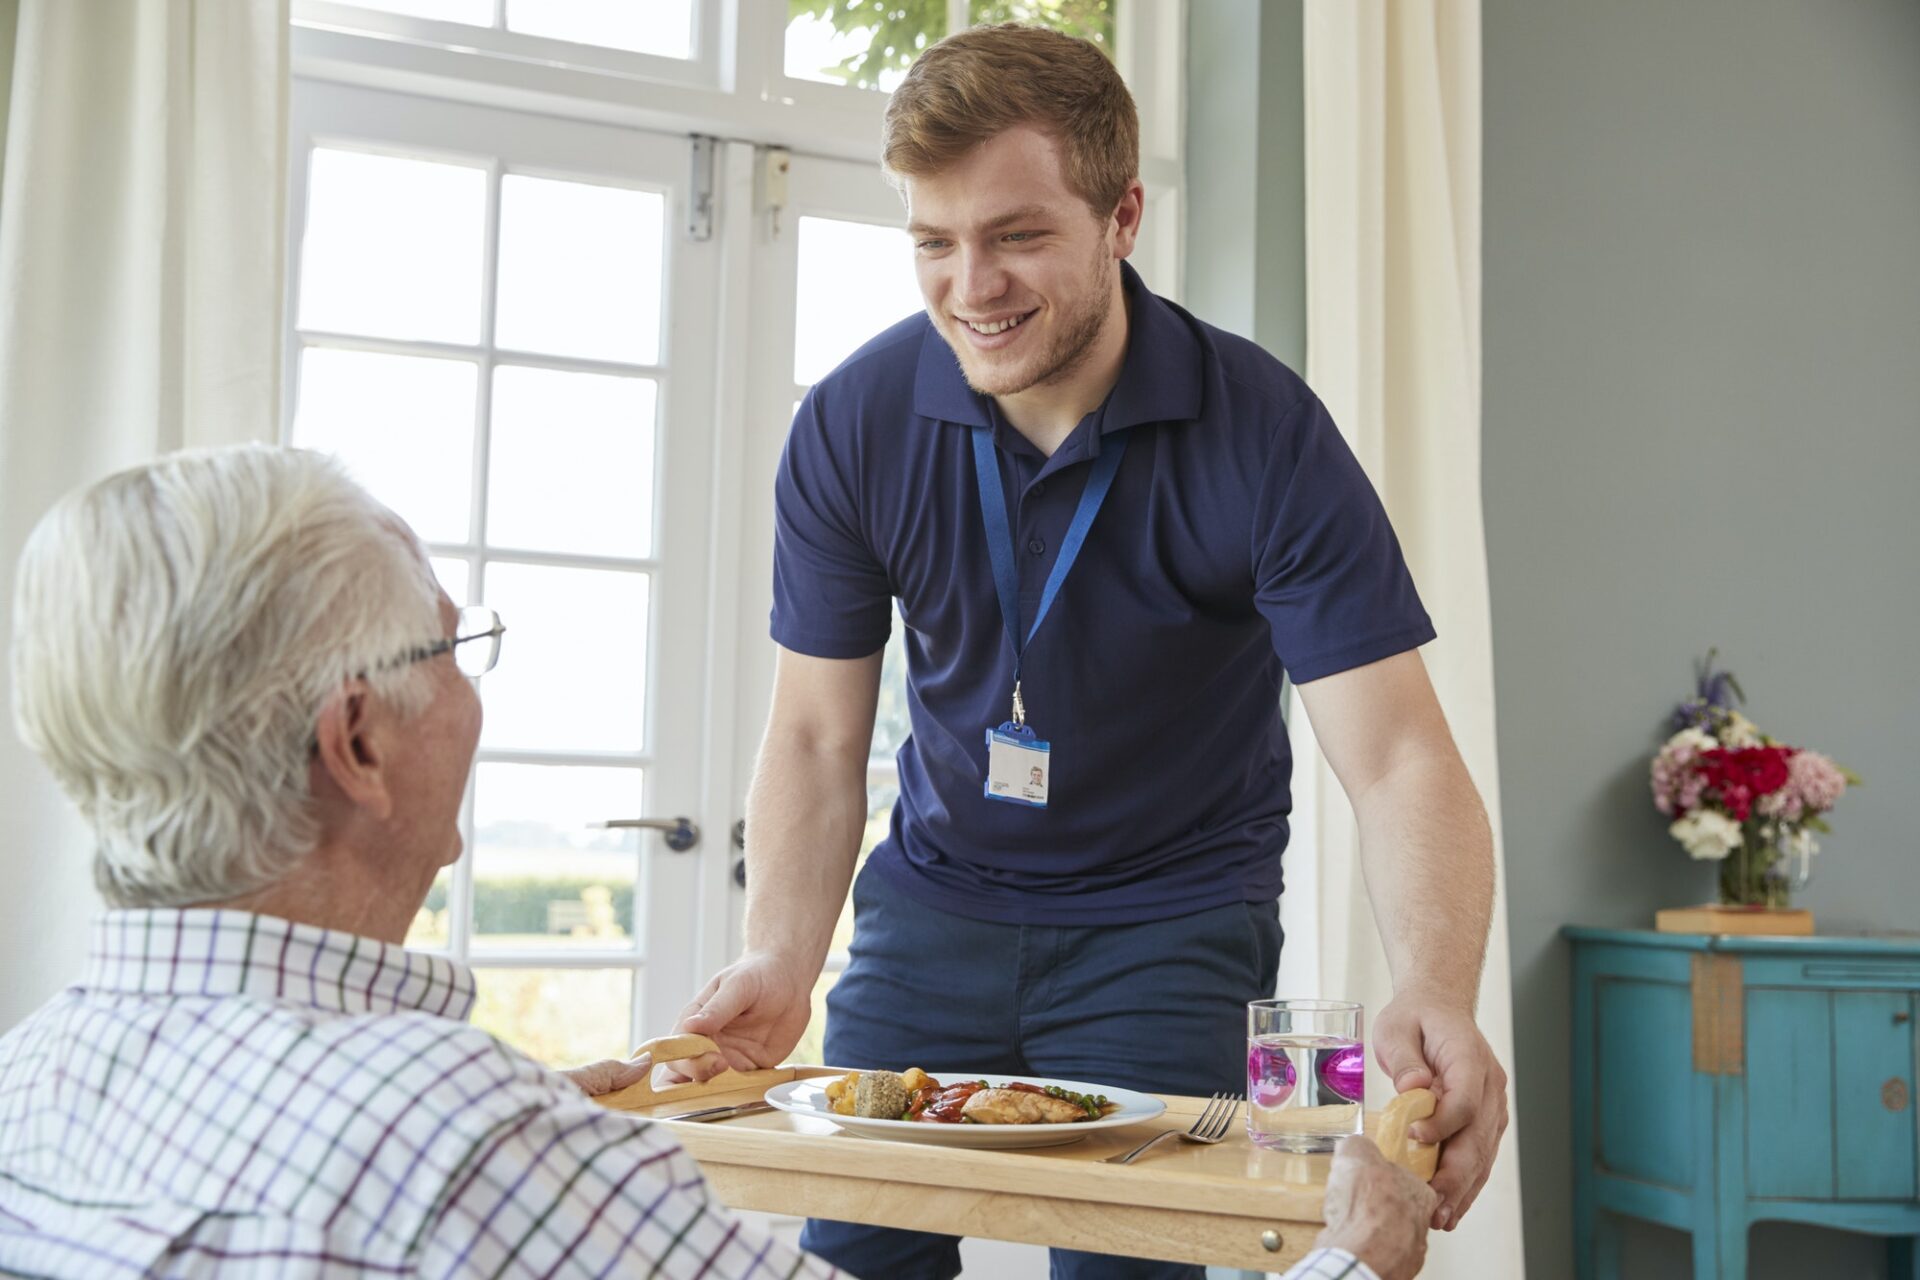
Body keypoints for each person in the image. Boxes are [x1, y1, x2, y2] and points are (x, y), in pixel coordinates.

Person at [0, 445, 1436, 1280]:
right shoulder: (460, 1139)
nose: (475, 691)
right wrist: (1348, 1263)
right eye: (451, 646)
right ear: (359, 744)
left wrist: (563, 1112)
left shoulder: (30, 1080)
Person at [670, 23, 1508, 1280]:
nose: (972, 285)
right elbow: (812, 732)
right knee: (852, 1252)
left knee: (1129, 1264)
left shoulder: (1266, 432)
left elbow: (1397, 757)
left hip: (1168, 920)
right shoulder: (854, 421)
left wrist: (1438, 985)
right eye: (934, 242)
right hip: (932, 909)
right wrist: (782, 953)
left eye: (1016, 236)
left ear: (1123, 216)